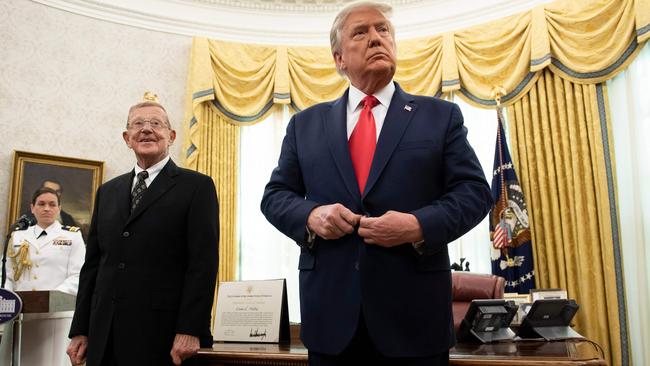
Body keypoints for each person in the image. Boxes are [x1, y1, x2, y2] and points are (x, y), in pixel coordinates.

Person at [260, 2, 493, 364]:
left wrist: (417, 226)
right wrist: (312, 215)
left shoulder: (439, 116)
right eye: (361, 32)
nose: (376, 38)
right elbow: (275, 197)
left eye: (383, 30)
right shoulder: (305, 125)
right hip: (331, 322)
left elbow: (475, 193)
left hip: (415, 321)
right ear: (339, 58)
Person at [66, 97, 220, 366]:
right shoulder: (108, 191)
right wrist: (80, 329)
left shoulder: (197, 187)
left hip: (163, 335)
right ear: (127, 138)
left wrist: (191, 328)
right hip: (105, 334)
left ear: (171, 136)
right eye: (138, 124)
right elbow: (92, 266)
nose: (146, 129)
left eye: (156, 124)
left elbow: (203, 264)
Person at [3, 186, 86, 366]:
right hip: (19, 316)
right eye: (41, 204)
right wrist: (7, 301)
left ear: (59, 208)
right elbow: (7, 275)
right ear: (32, 207)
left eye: (52, 204)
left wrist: (50, 298)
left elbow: (78, 275)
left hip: (56, 316)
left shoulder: (72, 236)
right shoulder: (17, 236)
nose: (46, 208)